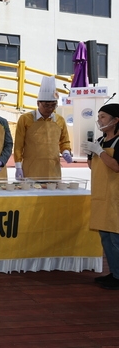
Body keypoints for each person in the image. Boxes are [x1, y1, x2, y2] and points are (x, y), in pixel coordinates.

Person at [81, 103, 119, 290]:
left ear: (116, 120)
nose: (99, 120)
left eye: (103, 117)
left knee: (115, 237)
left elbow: (116, 166)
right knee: (105, 236)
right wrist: (91, 154)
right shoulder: (101, 140)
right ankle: (114, 273)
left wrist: (100, 152)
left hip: (115, 197)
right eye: (99, 116)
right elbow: (93, 167)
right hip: (102, 195)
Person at [14, 76, 72, 180]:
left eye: (53, 105)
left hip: (53, 169)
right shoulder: (25, 119)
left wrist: (66, 152)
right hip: (31, 168)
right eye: (46, 105)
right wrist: (18, 166)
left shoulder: (60, 120)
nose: (50, 109)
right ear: (38, 103)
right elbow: (18, 145)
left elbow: (64, 142)